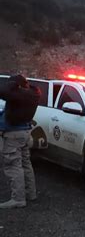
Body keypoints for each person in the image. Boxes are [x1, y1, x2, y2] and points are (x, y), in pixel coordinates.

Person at [0, 75, 40, 209]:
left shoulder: (18, 95)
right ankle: (30, 193)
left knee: (13, 165)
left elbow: (4, 92)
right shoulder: (32, 95)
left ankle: (18, 198)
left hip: (14, 133)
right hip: (24, 132)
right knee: (25, 163)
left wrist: (11, 84)